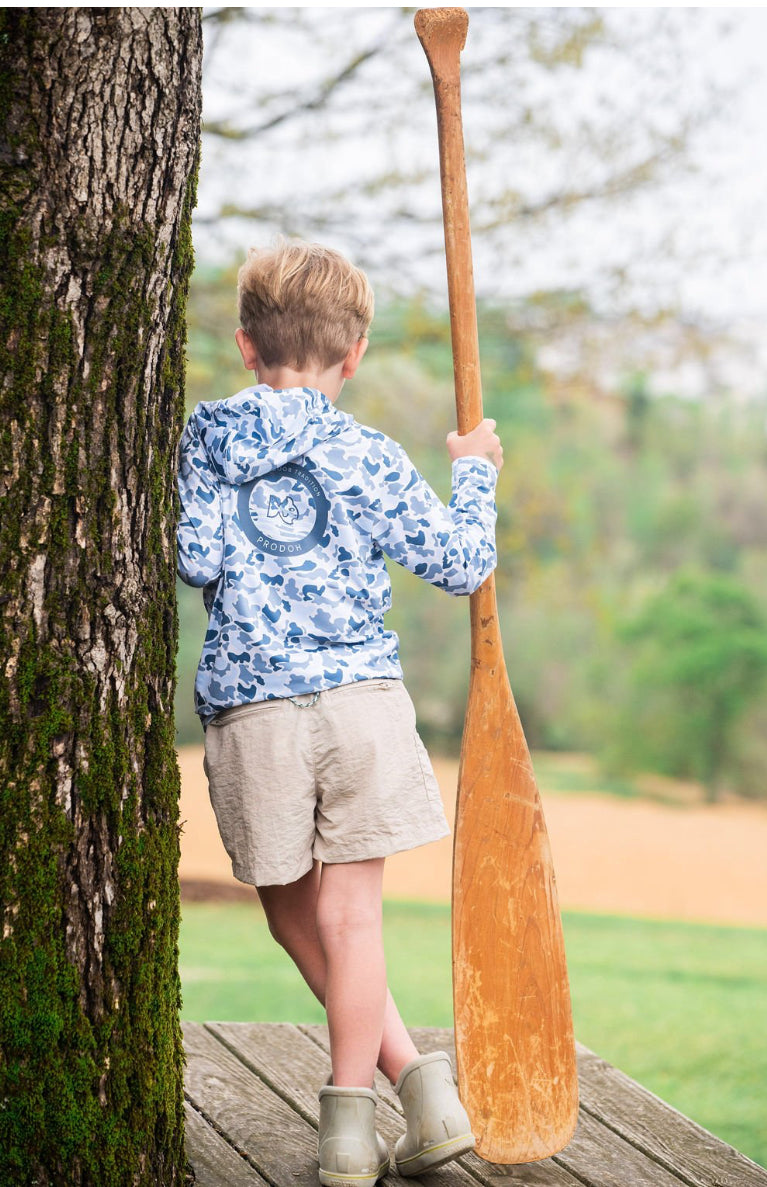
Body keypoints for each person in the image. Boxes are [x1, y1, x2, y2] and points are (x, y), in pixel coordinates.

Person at [177, 240, 503, 1187]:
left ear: (244, 345)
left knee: (291, 909)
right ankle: (399, 1102)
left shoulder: (205, 439)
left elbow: (196, 557)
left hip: (254, 707)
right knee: (343, 918)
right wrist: (472, 469)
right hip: (361, 700)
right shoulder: (367, 453)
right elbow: (456, 563)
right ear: (353, 355)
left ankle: (366, 1122)